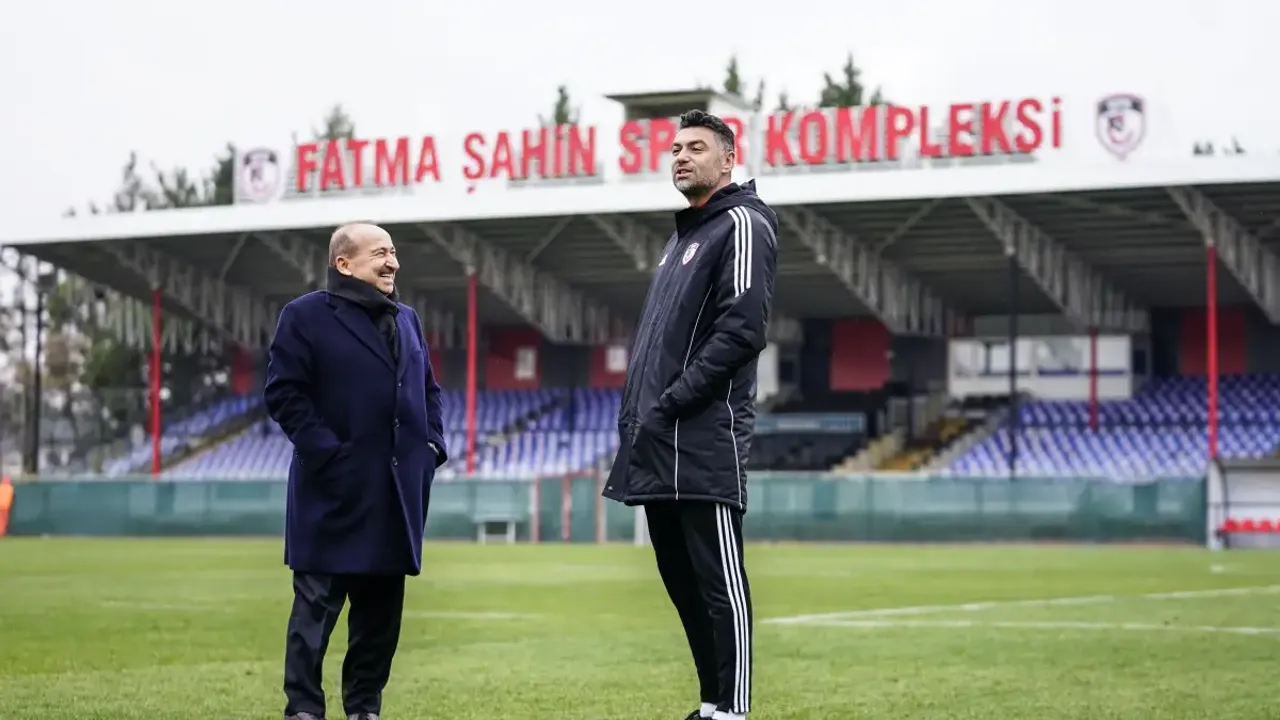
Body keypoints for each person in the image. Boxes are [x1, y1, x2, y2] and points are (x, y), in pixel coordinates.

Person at [603, 110, 778, 720]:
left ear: (728, 159)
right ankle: (711, 704)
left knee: (718, 583)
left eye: (696, 147)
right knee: (681, 585)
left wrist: (673, 401)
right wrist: (642, 418)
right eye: (675, 148)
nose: (680, 156)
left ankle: (733, 710)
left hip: (703, 437)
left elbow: (743, 330)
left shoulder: (743, 222)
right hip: (655, 439)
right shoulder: (680, 240)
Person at [264, 222, 448, 720]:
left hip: (395, 493)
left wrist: (432, 445)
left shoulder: (407, 319)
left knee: (380, 617)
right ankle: (304, 708)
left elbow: (428, 390)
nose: (393, 263)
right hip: (332, 491)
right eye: (380, 253)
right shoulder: (304, 315)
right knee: (314, 612)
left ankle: (364, 708)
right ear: (344, 264)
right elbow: (284, 393)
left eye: (394, 253)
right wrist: (328, 453)